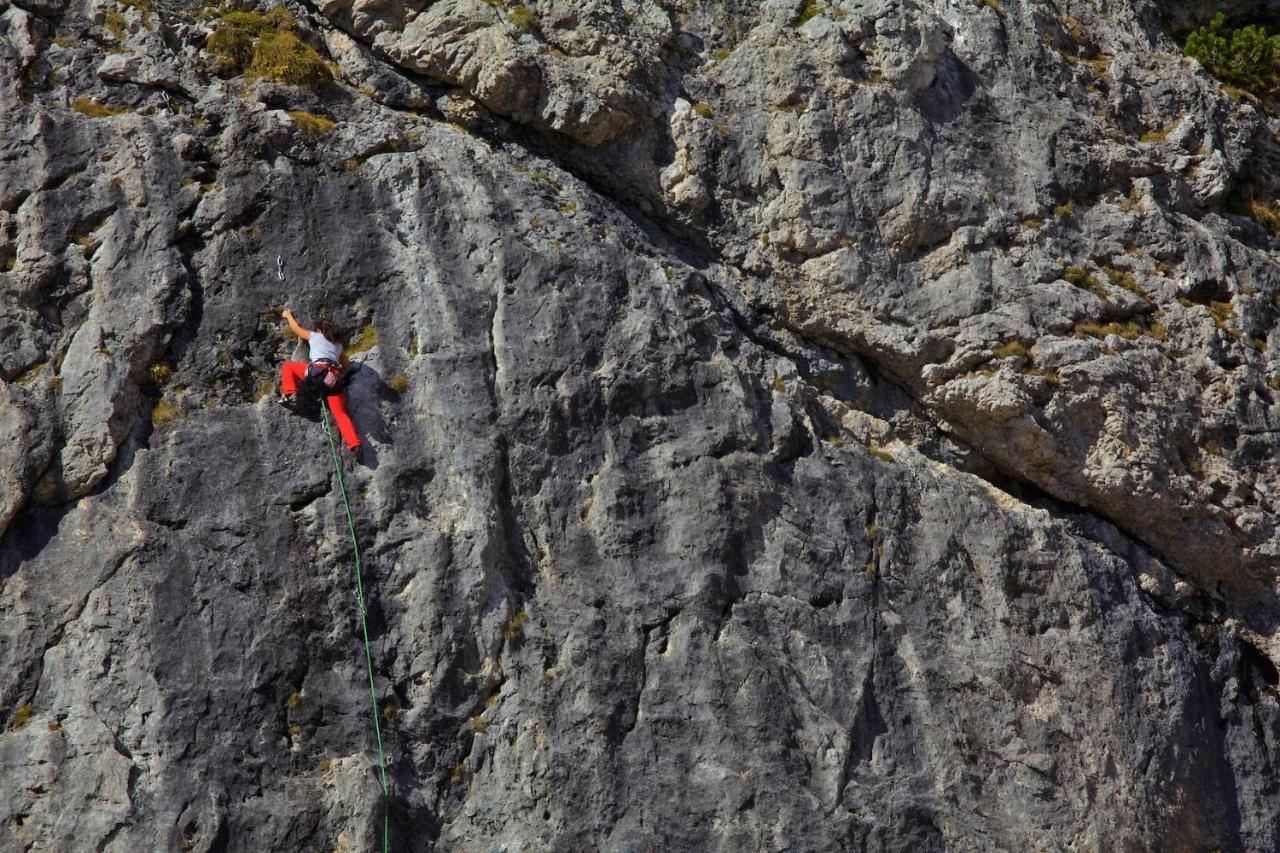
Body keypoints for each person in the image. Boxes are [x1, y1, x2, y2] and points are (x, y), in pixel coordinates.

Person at [278, 309, 362, 456]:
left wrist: (288, 315)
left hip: (317, 373)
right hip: (334, 382)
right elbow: (347, 367)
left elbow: (297, 329)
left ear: (319, 329)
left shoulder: (315, 336)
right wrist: (337, 375)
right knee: (341, 414)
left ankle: (290, 393)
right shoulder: (338, 347)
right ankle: (355, 444)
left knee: (288, 366)